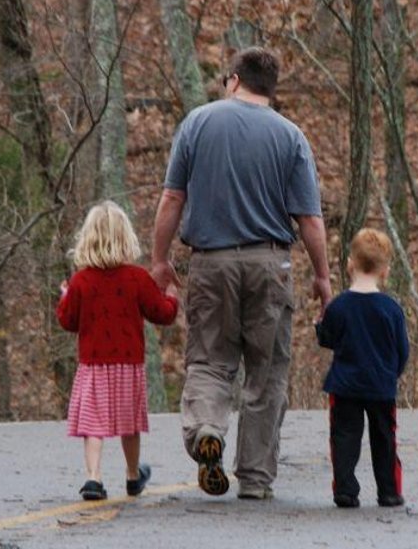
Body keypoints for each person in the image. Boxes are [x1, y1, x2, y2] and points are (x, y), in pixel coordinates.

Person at [151, 46, 331, 500]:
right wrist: (323, 277)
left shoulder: (197, 123)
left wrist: (159, 260)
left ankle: (208, 428)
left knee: (211, 360)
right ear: (271, 88)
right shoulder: (291, 137)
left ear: (233, 80)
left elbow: (172, 198)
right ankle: (254, 478)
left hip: (211, 263)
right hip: (271, 263)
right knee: (266, 371)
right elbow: (310, 219)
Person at [57, 200, 179, 501]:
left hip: (93, 364)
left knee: (92, 424)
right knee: (130, 423)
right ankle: (133, 475)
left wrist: (65, 297)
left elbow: (68, 320)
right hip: (128, 365)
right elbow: (161, 313)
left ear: (88, 239)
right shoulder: (137, 278)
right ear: (126, 238)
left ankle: (94, 478)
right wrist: (172, 297)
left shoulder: (80, 281)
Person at [315, 228, 409, 509]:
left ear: (349, 264)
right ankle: (389, 491)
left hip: (345, 385)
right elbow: (401, 350)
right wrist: (393, 374)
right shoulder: (391, 309)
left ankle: (345, 489)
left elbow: (328, 338)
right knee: (384, 438)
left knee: (344, 437)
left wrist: (319, 327)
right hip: (381, 384)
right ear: (385, 271)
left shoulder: (339, 306)